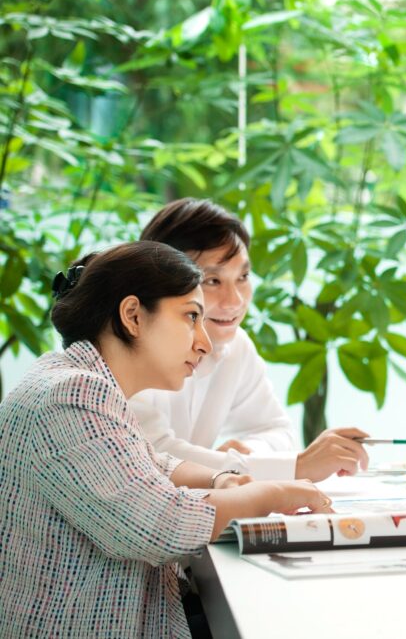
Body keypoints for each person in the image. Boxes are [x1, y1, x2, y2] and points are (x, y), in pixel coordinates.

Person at [0, 241, 331, 637]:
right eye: (191, 317)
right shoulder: (73, 395)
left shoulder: (75, 379)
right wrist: (275, 495)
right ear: (133, 316)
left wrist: (217, 479)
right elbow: (158, 525)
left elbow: (153, 464)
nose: (204, 343)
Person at [131, 198, 369, 481]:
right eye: (212, 281)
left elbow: (276, 430)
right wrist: (293, 467)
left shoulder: (235, 346)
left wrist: (245, 457)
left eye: (243, 276)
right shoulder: (132, 347)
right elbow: (152, 455)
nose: (235, 301)